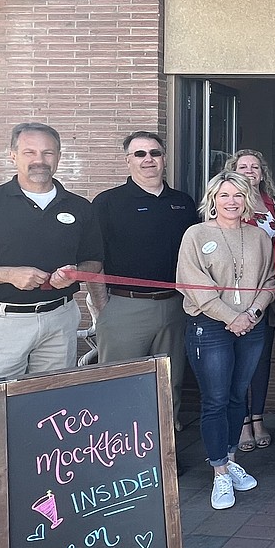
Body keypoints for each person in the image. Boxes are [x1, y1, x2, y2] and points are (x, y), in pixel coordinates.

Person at [0, 122, 103, 548]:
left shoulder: (78, 208)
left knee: (53, 432)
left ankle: (48, 522)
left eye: (48, 152)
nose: (40, 159)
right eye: (30, 151)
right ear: (12, 155)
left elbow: (94, 260)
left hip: (59, 321)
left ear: (59, 156)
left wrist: (76, 272)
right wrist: (8, 273)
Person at [177, 170, 275, 510]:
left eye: (238, 195)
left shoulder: (259, 237)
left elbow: (270, 280)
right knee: (215, 399)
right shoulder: (195, 234)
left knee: (237, 396)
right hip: (212, 326)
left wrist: (253, 314)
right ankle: (218, 469)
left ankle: (231, 458)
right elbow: (191, 282)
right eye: (224, 195)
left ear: (247, 199)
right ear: (213, 200)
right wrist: (230, 316)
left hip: (251, 326)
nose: (231, 202)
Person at [90, 131, 197, 428]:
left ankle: (164, 458)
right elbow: (93, 260)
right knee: (119, 384)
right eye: (140, 154)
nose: (148, 159)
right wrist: (103, 306)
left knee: (169, 384)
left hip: (175, 307)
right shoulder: (108, 203)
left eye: (154, 153)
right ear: (128, 161)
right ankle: (119, 455)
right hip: (125, 306)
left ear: (164, 159)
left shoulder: (183, 203)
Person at [225, 149, 275, 452]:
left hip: (267, 290)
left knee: (261, 360)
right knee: (237, 361)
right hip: (233, 295)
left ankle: (258, 418)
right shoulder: (226, 202)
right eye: (243, 166)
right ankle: (241, 422)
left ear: (263, 173)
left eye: (255, 167)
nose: (250, 171)